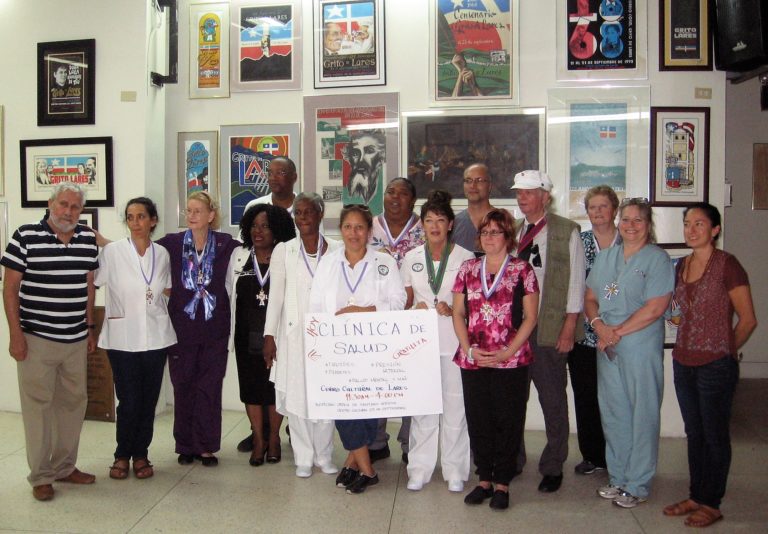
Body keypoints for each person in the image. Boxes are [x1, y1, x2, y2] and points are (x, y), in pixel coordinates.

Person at [1, 182, 98, 502]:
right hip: (36, 339)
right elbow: (10, 289)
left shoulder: (86, 238)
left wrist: (89, 327)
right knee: (38, 409)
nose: (68, 212)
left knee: (73, 405)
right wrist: (16, 336)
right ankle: (41, 476)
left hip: (74, 339)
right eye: (63, 205)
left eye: (74, 207)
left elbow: (89, 285)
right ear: (50, 204)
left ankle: (65, 467)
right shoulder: (25, 236)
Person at [662, 203, 756, 528]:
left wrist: (726, 349)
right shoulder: (681, 266)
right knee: (695, 432)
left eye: (699, 224)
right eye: (687, 223)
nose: (691, 229)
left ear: (715, 229)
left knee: (715, 435)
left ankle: (712, 502)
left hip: (716, 365)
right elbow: (677, 312)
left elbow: (748, 319)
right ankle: (695, 495)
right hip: (683, 362)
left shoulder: (728, 265)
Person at [309, 204, 406, 494]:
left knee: (367, 408)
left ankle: (354, 463)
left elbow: (399, 300)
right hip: (337, 350)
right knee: (344, 406)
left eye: (360, 227)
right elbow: (315, 304)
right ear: (341, 229)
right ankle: (367, 469)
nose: (354, 233)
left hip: (374, 350)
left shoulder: (383, 262)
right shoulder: (328, 262)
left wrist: (366, 310)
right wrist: (318, 341)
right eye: (348, 227)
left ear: (369, 230)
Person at [584, 198, 674, 509]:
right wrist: (598, 325)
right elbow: (590, 297)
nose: (631, 225)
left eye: (638, 220)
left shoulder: (657, 260)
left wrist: (615, 332)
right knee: (614, 414)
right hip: (607, 347)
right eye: (626, 220)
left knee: (642, 414)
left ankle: (638, 483)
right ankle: (619, 477)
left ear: (649, 226)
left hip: (639, 346)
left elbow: (655, 308)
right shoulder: (606, 258)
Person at [452, 208, 539, 510]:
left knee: (508, 420)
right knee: (479, 420)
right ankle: (484, 480)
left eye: (496, 232)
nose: (489, 237)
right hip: (474, 358)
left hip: (510, 358)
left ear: (508, 237)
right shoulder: (466, 269)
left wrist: (507, 351)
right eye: (485, 232)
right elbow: (458, 313)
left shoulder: (522, 270)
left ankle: (502, 483)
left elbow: (530, 317)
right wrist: (470, 349)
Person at [512, 170, 586, 493]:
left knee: (553, 398)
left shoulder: (567, 231)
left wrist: (570, 324)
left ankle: (554, 463)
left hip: (549, 326)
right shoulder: (515, 232)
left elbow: (576, 281)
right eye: (519, 193)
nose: (522, 198)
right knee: (514, 398)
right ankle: (513, 459)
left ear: (545, 196)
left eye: (528, 192)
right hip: (516, 329)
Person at [95, 197, 176, 480]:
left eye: (141, 216)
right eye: (130, 217)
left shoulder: (163, 254)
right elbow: (94, 281)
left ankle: (141, 454)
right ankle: (121, 455)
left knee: (148, 399)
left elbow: (166, 289)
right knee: (128, 399)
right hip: (122, 338)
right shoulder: (113, 252)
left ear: (152, 220)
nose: (136, 222)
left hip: (155, 338)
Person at [157, 191, 239, 467]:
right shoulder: (172, 243)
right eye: (188, 211)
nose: (190, 216)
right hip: (182, 327)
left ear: (211, 215)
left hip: (215, 327)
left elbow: (254, 254)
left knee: (210, 386)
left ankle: (205, 446)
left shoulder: (227, 244)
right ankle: (185, 444)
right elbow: (140, 252)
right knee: (183, 385)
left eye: (197, 211)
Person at [263, 193, 341, 478]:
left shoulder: (336, 249)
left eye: (309, 212)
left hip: (327, 337)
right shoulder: (285, 250)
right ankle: (304, 457)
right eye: (299, 213)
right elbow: (276, 296)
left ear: (320, 215)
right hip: (293, 336)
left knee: (325, 396)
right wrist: (269, 335)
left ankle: (324, 455)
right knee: (296, 398)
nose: (303, 218)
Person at [402, 190, 474, 493]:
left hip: (453, 342)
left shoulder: (465, 257)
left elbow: (474, 304)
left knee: (456, 408)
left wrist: (454, 308)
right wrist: (412, 308)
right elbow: (402, 301)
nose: (434, 226)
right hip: (421, 345)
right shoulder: (410, 258)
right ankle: (419, 469)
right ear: (422, 225)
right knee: (423, 408)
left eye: (439, 220)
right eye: (428, 220)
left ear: (450, 224)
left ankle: (455, 470)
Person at [226, 204, 295, 467]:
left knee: (274, 388)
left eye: (265, 226)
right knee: (251, 389)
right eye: (254, 225)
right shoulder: (239, 255)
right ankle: (258, 439)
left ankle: (274, 438)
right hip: (244, 335)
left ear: (277, 228)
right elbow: (228, 290)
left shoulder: (287, 255)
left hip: (276, 336)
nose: (258, 231)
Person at [368, 177, 425, 463]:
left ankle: (408, 442)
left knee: (409, 381)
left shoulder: (425, 229)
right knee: (378, 379)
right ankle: (377, 441)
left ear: (412, 200)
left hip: (413, 319)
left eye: (403, 193)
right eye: (390, 191)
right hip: (377, 318)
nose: (395, 197)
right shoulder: (369, 226)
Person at [569, 186, 620, 476]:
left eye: (603, 206)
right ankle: (592, 455)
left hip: (621, 332)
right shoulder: (580, 241)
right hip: (585, 334)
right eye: (592, 207)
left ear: (614, 208)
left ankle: (618, 453)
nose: (598, 212)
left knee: (616, 397)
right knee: (586, 396)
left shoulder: (628, 240)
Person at [452, 163, 497, 255]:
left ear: (490, 185)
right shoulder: (453, 224)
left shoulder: (504, 221)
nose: (473, 185)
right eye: (468, 180)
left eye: (479, 180)